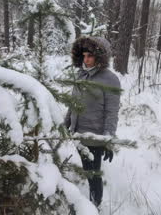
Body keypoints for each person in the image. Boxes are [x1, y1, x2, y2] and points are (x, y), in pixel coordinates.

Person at [64, 36, 121, 208]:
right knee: (88, 170)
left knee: (93, 174)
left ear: (99, 56)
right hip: (78, 134)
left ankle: (94, 206)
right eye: (84, 55)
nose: (86, 59)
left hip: (94, 137)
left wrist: (108, 139)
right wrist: (65, 124)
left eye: (90, 55)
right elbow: (73, 104)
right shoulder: (81, 74)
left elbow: (112, 113)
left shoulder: (110, 79)